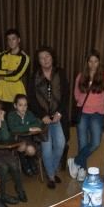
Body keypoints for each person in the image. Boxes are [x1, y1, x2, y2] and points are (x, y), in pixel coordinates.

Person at [28, 46, 69, 189]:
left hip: (57, 116)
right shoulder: (34, 76)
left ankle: (51, 169)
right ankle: (51, 176)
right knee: (46, 149)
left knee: (60, 144)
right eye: (41, 57)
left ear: (52, 57)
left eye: (47, 56)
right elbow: (31, 99)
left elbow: (65, 95)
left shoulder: (60, 73)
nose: (45, 59)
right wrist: (42, 115)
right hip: (42, 118)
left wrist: (59, 113)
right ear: (38, 61)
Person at [69, 50, 104, 179]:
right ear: (87, 62)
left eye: (95, 61)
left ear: (99, 62)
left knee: (95, 142)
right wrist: (83, 103)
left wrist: (103, 109)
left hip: (97, 114)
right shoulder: (81, 76)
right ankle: (82, 169)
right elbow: (76, 94)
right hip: (82, 113)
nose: (93, 64)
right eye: (90, 61)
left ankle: (76, 161)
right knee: (82, 142)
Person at [0, 100, 27, 204]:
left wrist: (1, 120)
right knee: (3, 167)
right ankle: (2, 195)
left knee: (13, 163)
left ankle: (20, 189)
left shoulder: (0, 120)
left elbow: (6, 137)